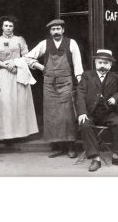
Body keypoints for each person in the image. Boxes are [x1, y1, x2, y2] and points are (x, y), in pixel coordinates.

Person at [25, 18, 83, 158]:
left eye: (58, 29)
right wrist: (40, 66)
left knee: (68, 115)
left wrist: (80, 81)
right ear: (50, 32)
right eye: (53, 29)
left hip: (66, 82)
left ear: (63, 30)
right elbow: (27, 57)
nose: (56, 31)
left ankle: (71, 146)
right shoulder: (44, 44)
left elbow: (78, 64)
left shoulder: (72, 43)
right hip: (49, 84)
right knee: (53, 116)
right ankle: (58, 147)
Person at [76, 49, 118, 172]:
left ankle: (117, 156)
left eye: (106, 63)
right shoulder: (87, 76)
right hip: (90, 112)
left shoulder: (115, 77)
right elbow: (80, 94)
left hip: (108, 113)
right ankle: (95, 159)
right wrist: (82, 112)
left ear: (110, 65)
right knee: (85, 125)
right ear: (95, 63)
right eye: (100, 63)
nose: (102, 66)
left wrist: (115, 97)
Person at [0, 15, 38, 140]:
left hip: (19, 72)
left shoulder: (19, 39)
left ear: (14, 27)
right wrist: (6, 66)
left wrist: (15, 63)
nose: (8, 28)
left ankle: (21, 134)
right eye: (6, 25)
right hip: (3, 73)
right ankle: (5, 135)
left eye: (10, 26)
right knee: (4, 103)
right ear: (2, 27)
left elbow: (27, 56)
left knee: (20, 102)